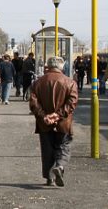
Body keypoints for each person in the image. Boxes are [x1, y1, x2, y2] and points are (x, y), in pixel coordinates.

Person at [29, 56, 78, 187]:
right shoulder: (70, 82)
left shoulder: (38, 82)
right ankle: (60, 166)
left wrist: (44, 116)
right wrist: (58, 115)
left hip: (44, 123)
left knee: (47, 150)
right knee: (64, 147)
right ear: (61, 67)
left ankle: (49, 179)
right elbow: (72, 103)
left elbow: (33, 103)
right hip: (63, 123)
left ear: (48, 66)